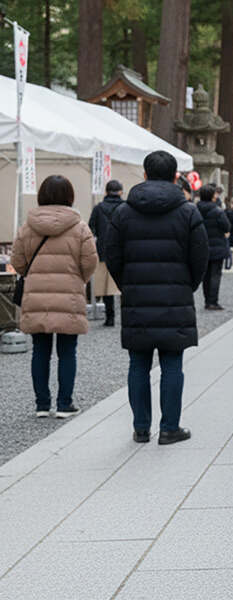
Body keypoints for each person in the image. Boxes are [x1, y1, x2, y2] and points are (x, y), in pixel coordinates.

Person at [105, 150, 209, 444]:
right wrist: (187, 284)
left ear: (145, 174)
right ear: (176, 176)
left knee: (138, 363)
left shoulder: (123, 212)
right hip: (175, 296)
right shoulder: (188, 211)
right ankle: (169, 428)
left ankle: (140, 428)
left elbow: (112, 254)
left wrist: (127, 283)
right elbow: (200, 256)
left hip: (137, 295)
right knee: (172, 363)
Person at [11, 175, 98, 418]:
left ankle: (41, 405)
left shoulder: (27, 227)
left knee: (40, 350)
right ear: (70, 196)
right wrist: (77, 278)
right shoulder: (80, 227)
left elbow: (17, 262)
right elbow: (90, 262)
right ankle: (64, 404)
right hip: (68, 295)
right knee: (67, 351)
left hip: (36, 296)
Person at [88, 179, 124, 327]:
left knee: (106, 287)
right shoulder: (126, 207)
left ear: (106, 192)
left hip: (103, 250)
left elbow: (91, 227)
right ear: (120, 192)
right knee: (124, 285)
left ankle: (110, 318)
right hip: (123, 251)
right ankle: (127, 317)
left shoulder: (98, 208)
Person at [196, 183, 231, 310]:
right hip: (217, 247)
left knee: (205, 275)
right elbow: (226, 226)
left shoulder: (195, 209)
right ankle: (213, 301)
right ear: (212, 196)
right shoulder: (217, 211)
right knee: (215, 275)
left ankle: (206, 300)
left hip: (202, 247)